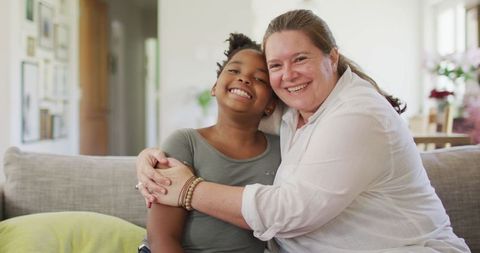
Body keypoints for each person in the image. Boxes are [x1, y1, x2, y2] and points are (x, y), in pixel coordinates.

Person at [136, 9, 470, 253]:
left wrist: (189, 189)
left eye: (300, 59)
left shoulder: (358, 114)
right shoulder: (294, 110)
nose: (289, 75)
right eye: (276, 66)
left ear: (332, 58)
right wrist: (149, 157)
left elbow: (290, 211)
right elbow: (242, 112)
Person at [137, 33, 281, 253]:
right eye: (234, 70)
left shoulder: (282, 150)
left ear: (270, 105)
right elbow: (162, 238)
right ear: (215, 87)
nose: (244, 79)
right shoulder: (185, 143)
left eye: (260, 79)